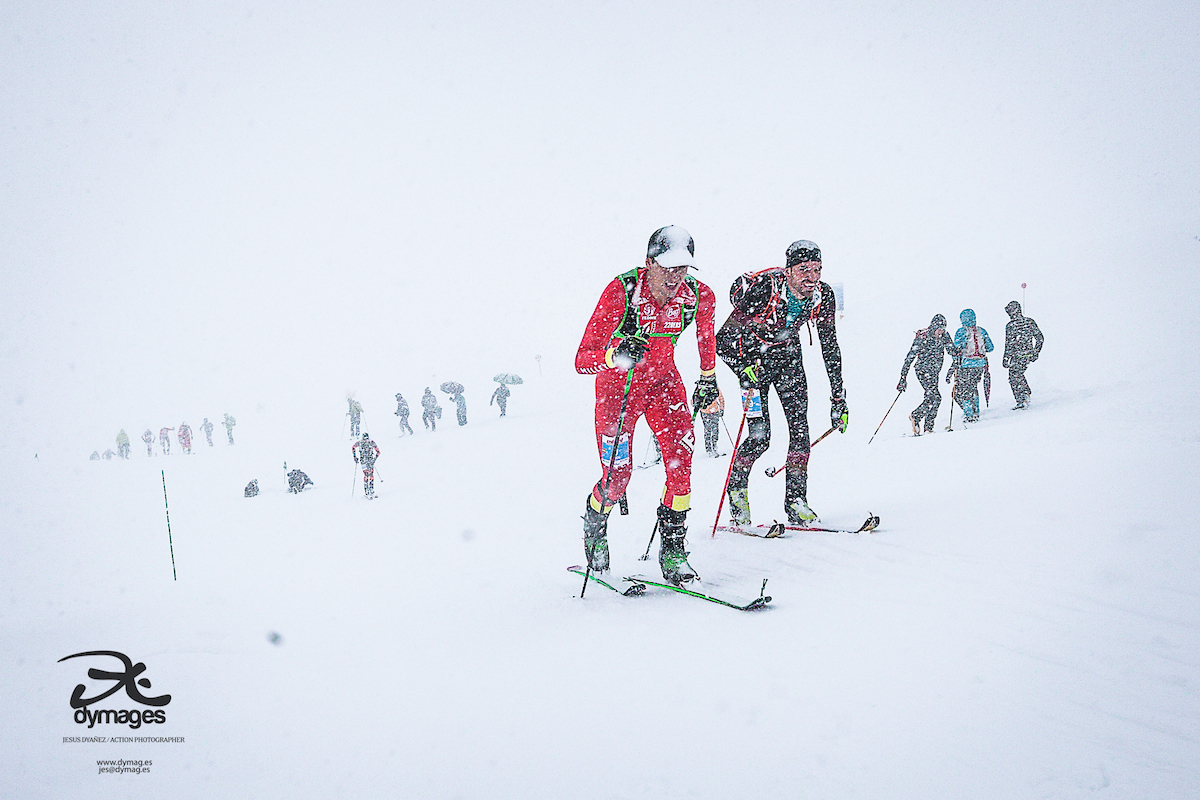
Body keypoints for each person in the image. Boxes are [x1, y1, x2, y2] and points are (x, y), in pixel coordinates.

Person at [575, 225, 717, 585]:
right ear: (649, 262)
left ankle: (673, 549)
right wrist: (615, 354)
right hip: (617, 391)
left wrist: (708, 378)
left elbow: (706, 337)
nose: (674, 277)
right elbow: (582, 359)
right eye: (666, 267)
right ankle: (595, 525)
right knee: (618, 478)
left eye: (682, 268)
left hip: (663, 386)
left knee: (681, 467)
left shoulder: (699, 295)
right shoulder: (622, 291)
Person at [715, 239, 846, 527]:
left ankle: (796, 501)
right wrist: (742, 368)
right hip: (753, 362)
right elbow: (721, 340)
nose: (812, 277)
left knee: (800, 432)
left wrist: (838, 397)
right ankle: (737, 494)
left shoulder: (823, 295)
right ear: (788, 271)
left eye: (817, 269)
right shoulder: (765, 289)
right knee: (760, 438)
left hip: (789, 359)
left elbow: (830, 346)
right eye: (804, 270)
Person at [897, 314, 959, 435]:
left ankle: (925, 426)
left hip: (935, 371)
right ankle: (919, 419)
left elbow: (951, 350)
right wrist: (903, 378)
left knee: (931, 397)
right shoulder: (923, 338)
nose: (941, 332)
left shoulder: (944, 336)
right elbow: (909, 358)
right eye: (939, 329)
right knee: (936, 397)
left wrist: (958, 353)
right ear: (933, 327)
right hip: (922, 371)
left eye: (943, 329)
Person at [950, 309, 994, 423]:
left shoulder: (961, 332)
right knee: (973, 387)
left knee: (963, 389)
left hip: (965, 365)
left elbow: (956, 350)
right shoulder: (981, 331)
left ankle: (969, 414)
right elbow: (990, 348)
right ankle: (976, 411)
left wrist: (955, 364)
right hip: (980, 365)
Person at [1002, 301, 1044, 409]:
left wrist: (1006, 358)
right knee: (1015, 374)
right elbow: (1039, 338)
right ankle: (1023, 396)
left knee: (1014, 375)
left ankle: (1023, 397)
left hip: (1020, 355)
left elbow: (1008, 344)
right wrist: (1035, 352)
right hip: (1024, 354)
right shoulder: (1028, 322)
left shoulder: (1012, 325)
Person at [352, 432, 382, 499]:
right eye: (364, 439)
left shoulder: (365, 442)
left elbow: (378, 452)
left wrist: (374, 459)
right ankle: (368, 491)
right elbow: (353, 447)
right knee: (367, 475)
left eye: (366, 439)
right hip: (365, 461)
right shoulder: (368, 442)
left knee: (370, 475)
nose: (365, 441)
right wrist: (355, 457)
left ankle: (370, 490)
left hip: (368, 461)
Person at [699, 385, 725, 456]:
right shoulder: (701, 387)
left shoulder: (714, 387)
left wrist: (721, 409)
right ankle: (709, 449)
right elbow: (694, 400)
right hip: (706, 412)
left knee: (714, 430)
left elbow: (721, 398)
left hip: (714, 411)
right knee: (708, 430)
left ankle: (714, 447)